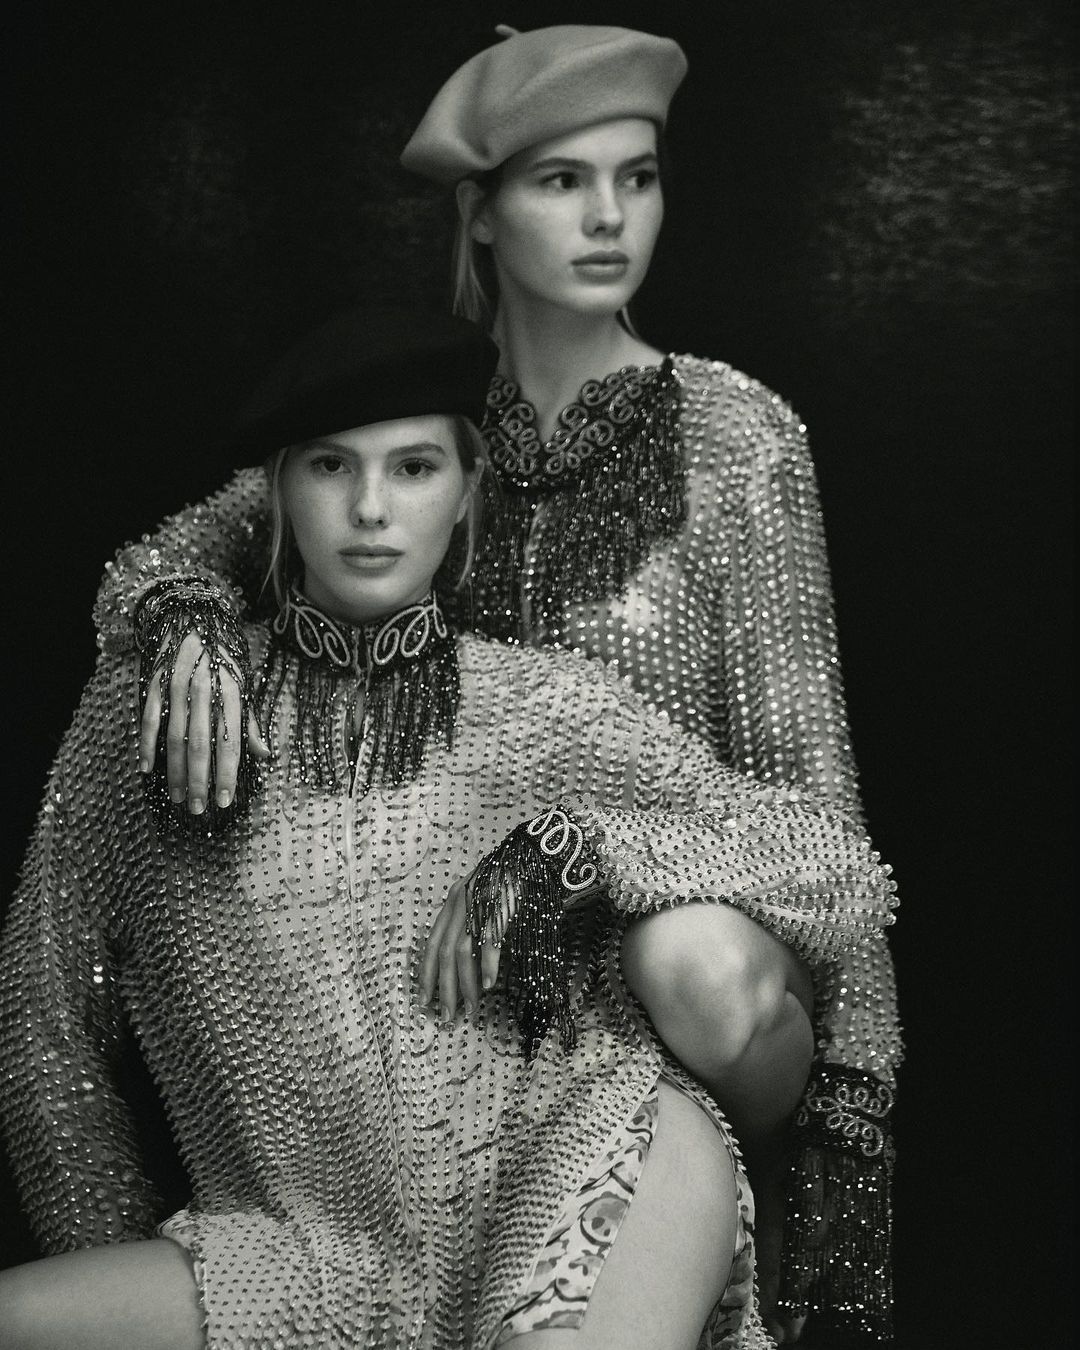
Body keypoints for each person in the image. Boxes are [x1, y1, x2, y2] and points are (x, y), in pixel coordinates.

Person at [89, 26, 901, 1344]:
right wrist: (185, 620)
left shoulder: (734, 434)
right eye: (562, 181)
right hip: (453, 1004)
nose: (609, 218)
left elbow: (827, 826)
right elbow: (183, 548)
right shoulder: (416, 421)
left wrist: (848, 1183)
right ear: (479, 211)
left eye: (638, 179)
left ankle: (685, 1204)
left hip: (690, 955)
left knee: (688, 957)